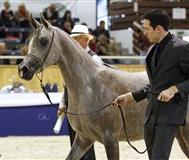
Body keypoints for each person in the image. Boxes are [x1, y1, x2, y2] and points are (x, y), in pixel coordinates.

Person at [113, 9, 189, 160]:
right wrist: (129, 97)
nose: (144, 33)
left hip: (171, 114)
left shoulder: (182, 48)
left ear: (159, 28)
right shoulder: (152, 50)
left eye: (147, 29)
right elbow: (154, 86)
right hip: (150, 115)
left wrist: (174, 89)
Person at [58, 25, 103, 160]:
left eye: (77, 39)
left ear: (85, 40)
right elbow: (68, 85)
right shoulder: (71, 60)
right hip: (73, 107)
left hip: (88, 109)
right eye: (73, 39)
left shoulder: (94, 59)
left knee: (85, 143)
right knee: (75, 143)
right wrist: (63, 103)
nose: (74, 42)